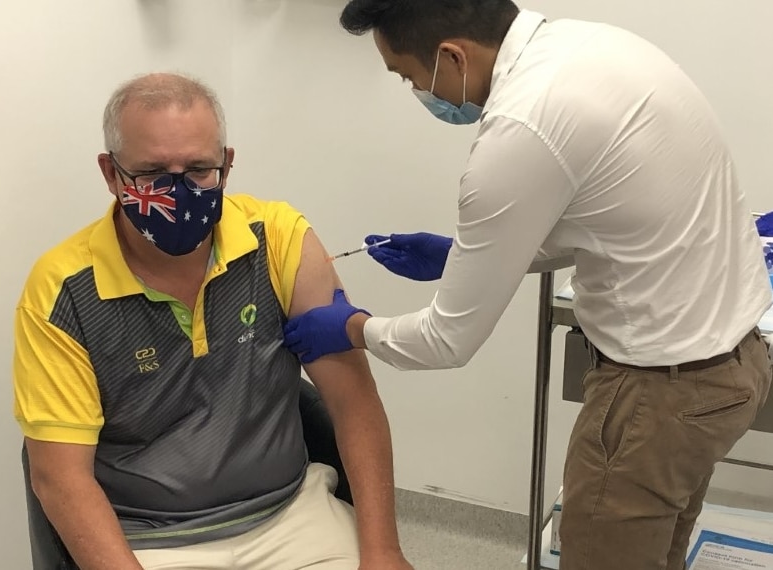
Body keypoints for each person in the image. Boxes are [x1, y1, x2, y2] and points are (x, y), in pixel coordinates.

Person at [282, 2, 773, 569]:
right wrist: (461, 256)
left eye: (406, 75)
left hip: (659, 396)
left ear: (451, 56)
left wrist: (350, 328)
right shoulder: (593, 50)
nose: (414, 89)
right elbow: (611, 219)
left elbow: (447, 341)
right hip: (732, 365)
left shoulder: (519, 130)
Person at [13, 72, 412, 570]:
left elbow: (353, 400)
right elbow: (60, 476)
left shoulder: (279, 239)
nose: (179, 192)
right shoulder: (62, 290)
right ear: (111, 174)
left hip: (290, 516)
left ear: (227, 165)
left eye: (199, 170)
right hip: (147, 540)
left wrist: (383, 552)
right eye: (153, 174)